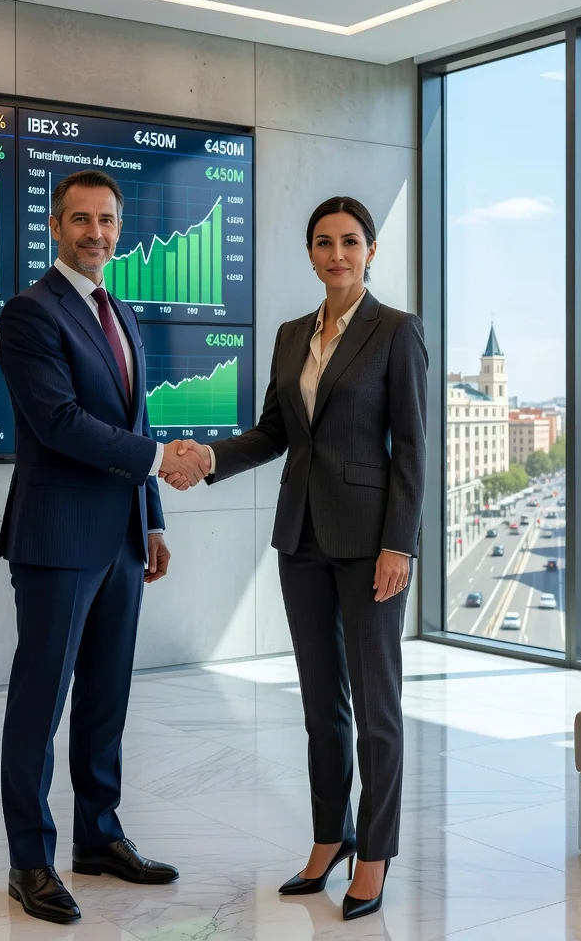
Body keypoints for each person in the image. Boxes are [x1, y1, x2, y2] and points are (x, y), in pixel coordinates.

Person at [164, 196, 427, 922]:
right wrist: (209, 456)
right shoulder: (288, 337)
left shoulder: (397, 333)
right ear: (309, 254)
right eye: (323, 242)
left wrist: (398, 544)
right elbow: (274, 432)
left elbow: (412, 449)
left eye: (349, 241)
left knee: (376, 708)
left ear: (370, 250)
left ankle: (373, 853)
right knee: (321, 705)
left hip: (373, 544)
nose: (336, 254)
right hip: (301, 539)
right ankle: (327, 838)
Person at [0, 169, 208, 924]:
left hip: (120, 537)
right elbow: (57, 423)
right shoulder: (30, 313)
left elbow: (135, 415)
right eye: (80, 220)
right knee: (39, 702)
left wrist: (151, 517)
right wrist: (160, 462)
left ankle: (99, 837)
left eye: (108, 221)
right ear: (55, 226)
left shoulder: (122, 313)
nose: (96, 233)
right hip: (56, 539)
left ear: (121, 228)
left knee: (106, 698)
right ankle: (30, 862)